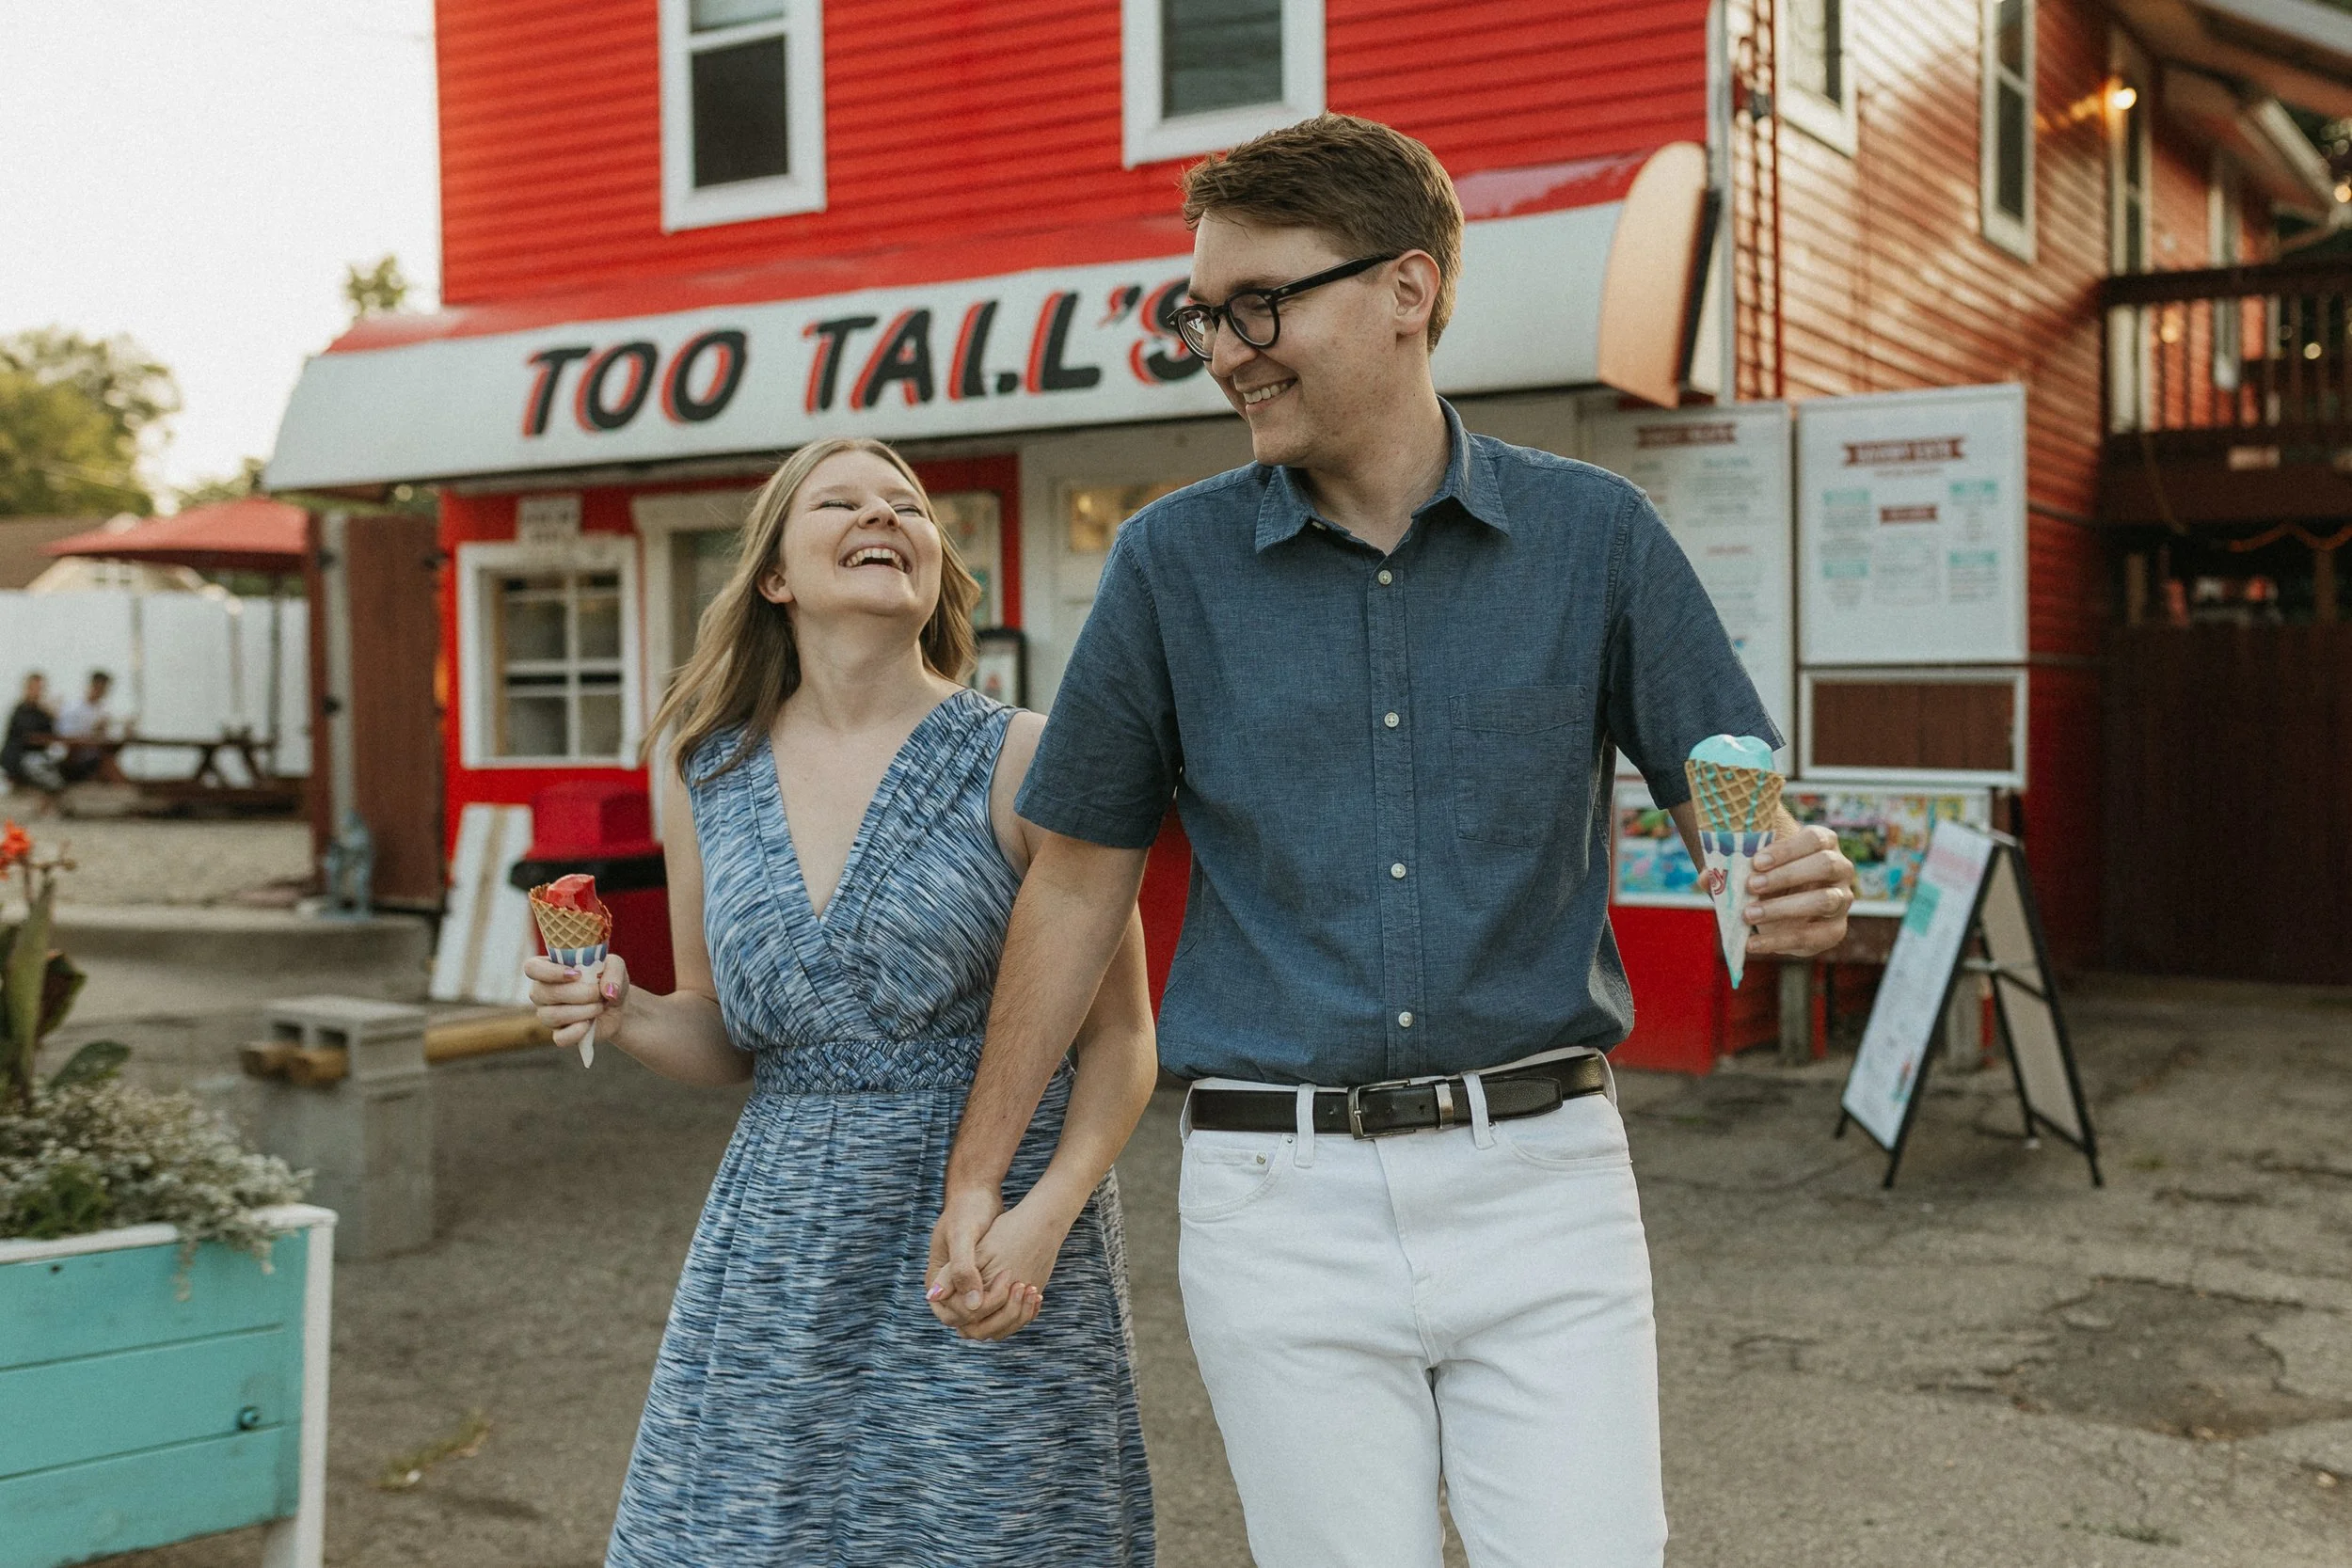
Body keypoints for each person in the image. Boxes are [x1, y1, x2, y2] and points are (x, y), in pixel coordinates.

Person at [929, 116, 1860, 1567]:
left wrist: (1788, 875)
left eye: (1260, 303)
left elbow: (1735, 809)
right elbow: (1074, 881)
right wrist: (982, 1174)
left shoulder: (1598, 538)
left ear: (1408, 288)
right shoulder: (1168, 567)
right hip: (1275, 1197)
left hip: (1544, 1176)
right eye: (1201, 313)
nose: (1225, 346)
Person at [525, 437, 1158, 1566]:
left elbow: (1119, 1042)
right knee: (763, 1532)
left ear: (932, 566)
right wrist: (623, 1010)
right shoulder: (703, 768)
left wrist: (1045, 1213)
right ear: (775, 574)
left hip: (982, 1231)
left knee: (987, 1533)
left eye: (907, 505)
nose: (885, 515)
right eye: (843, 500)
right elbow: (725, 1034)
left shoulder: (1030, 755)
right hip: (782, 1240)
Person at [54, 670, 124, 784]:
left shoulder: (102, 710)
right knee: (106, 762)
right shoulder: (72, 708)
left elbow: (108, 736)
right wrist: (92, 730)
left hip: (94, 754)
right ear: (94, 686)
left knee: (107, 758)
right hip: (73, 758)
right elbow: (64, 736)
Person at [2, 673, 64, 798]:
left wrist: (53, 715)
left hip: (42, 755)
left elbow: (53, 736)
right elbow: (24, 735)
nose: (38, 692)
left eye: (40, 689)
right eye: (35, 688)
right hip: (20, 757)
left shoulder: (43, 712)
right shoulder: (19, 711)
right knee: (38, 767)